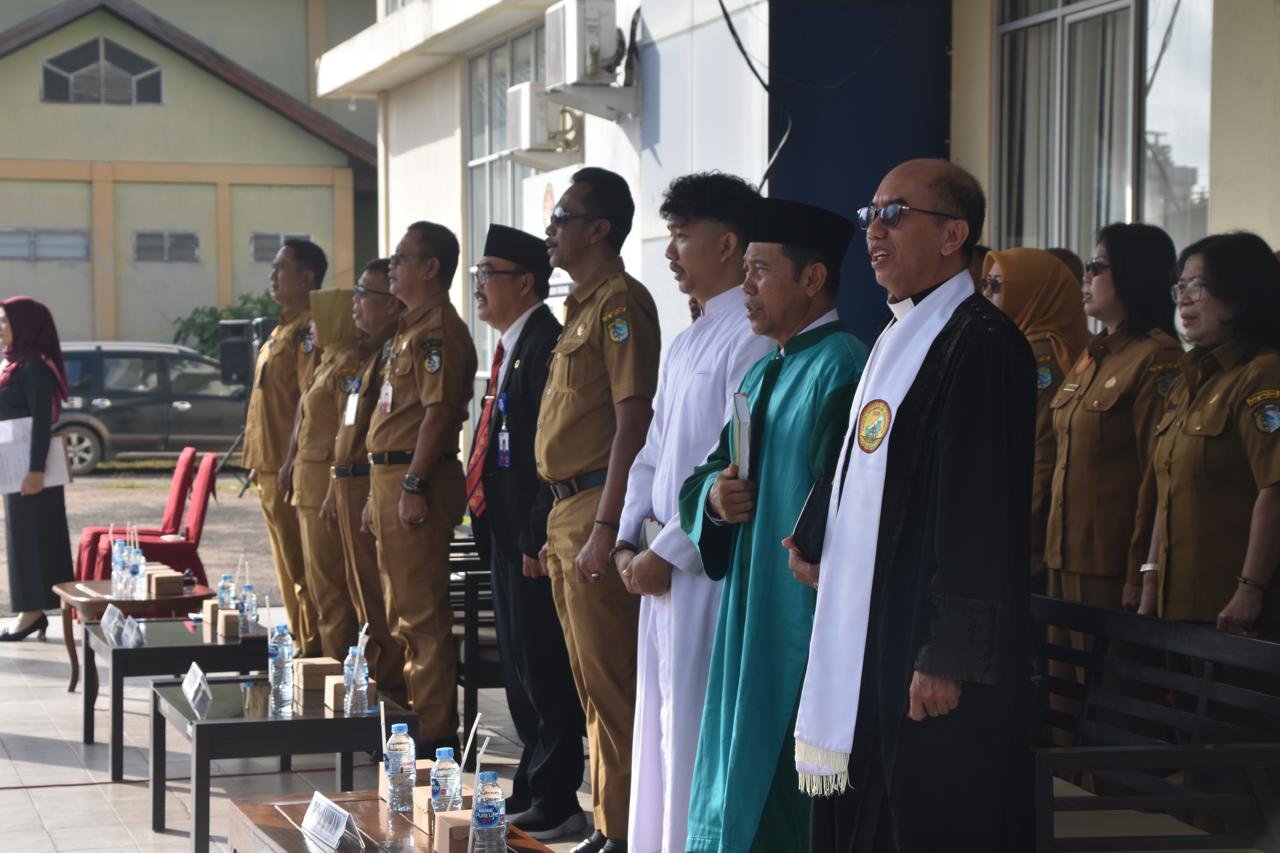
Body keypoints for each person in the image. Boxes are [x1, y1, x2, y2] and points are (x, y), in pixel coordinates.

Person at [789, 159, 1034, 852]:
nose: (874, 231)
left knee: (926, 814)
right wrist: (817, 536)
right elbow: (859, 457)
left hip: (928, 641)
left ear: (953, 234)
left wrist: (948, 653)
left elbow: (980, 510)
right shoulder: (898, 333)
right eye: (871, 215)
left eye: (894, 214)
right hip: (878, 625)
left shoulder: (981, 344)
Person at [678, 197, 868, 853]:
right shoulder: (764, 369)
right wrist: (715, 498)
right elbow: (708, 472)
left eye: (760, 271)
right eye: (745, 272)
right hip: (747, 614)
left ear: (813, 278)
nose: (746, 288)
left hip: (799, 621)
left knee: (782, 796)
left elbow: (844, 502)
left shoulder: (843, 367)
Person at [614, 173, 771, 853]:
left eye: (681, 236)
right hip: (656, 566)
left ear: (728, 243)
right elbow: (652, 451)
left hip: (705, 569)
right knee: (657, 728)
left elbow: (730, 466)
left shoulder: (750, 336)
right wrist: (626, 541)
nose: (671, 251)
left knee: (693, 731)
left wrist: (666, 551)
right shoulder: (689, 339)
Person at [536, 167, 661, 853]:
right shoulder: (580, 308)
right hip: (568, 509)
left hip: (595, 507)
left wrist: (607, 527)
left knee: (613, 683)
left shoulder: (620, 303)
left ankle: (630, 829)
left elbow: (632, 421)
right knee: (590, 682)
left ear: (599, 229)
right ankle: (611, 820)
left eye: (563, 218)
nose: (551, 230)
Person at [466, 224, 585, 839]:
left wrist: (537, 530)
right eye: (478, 274)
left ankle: (558, 796)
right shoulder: (512, 346)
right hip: (504, 533)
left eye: (488, 274)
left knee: (543, 668)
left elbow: (550, 448)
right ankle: (533, 785)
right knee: (519, 670)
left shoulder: (544, 343)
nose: (479, 285)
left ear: (526, 283)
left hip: (531, 538)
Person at [364, 221, 476, 750]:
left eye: (401, 257)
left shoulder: (438, 332)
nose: (392, 266)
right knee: (399, 613)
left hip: (416, 479)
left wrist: (412, 483)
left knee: (422, 616)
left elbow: (438, 414)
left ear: (431, 268)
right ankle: (412, 719)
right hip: (390, 477)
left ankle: (433, 735)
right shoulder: (409, 330)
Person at [1139, 232, 1280, 638]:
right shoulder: (1190, 377)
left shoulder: (1261, 374)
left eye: (1197, 286)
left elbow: (1275, 488)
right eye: (1180, 287)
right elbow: (1167, 486)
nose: (1183, 299)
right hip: (1177, 602)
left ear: (1238, 297)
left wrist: (1250, 589)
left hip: (1232, 608)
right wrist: (1151, 576)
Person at [1045, 224, 1183, 615]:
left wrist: (1141, 568)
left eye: (1098, 266)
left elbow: (1155, 472)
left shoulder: (1157, 356)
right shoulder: (1092, 355)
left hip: (1111, 561)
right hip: (1062, 553)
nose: (1086, 277)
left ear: (1132, 273)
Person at [324, 259, 407, 706]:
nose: (355, 302)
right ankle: (377, 685)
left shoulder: (396, 351)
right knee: (364, 602)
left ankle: (392, 693)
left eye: (364, 294)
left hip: (367, 483)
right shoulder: (373, 354)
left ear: (392, 305)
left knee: (380, 601)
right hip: (349, 482)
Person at [980, 248, 1088, 582]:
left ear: (1031, 292)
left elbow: (1041, 451)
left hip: (1026, 527)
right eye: (985, 283)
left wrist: (1028, 537)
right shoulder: (1021, 344)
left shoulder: (1037, 353)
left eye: (997, 285)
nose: (986, 294)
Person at [244, 239, 324, 654]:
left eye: (281, 268)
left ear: (307, 277)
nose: (272, 275)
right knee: (284, 565)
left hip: (289, 467)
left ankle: (313, 649)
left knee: (301, 567)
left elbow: (307, 400)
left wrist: (290, 459)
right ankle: (298, 640)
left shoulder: (309, 330)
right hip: (268, 465)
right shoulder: (281, 329)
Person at [288, 287, 362, 659]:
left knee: (330, 583)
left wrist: (334, 489)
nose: (313, 327)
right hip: (308, 485)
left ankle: (335, 664)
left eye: (319, 320)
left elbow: (345, 432)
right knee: (317, 581)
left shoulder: (347, 365)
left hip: (324, 489)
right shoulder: (327, 362)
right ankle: (322, 656)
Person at [0, 296, 72, 640]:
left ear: (25, 325)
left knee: (30, 539)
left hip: (30, 471)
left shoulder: (35, 369)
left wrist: (35, 471)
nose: (0, 327)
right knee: (21, 539)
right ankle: (33, 612)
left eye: (5, 321)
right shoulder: (14, 364)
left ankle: (31, 613)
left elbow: (42, 422)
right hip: (14, 468)